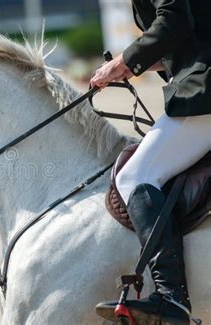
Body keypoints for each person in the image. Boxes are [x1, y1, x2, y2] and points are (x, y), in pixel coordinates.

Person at [90, 0, 211, 324]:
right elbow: (196, 29)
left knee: (135, 177)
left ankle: (172, 299)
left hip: (205, 91)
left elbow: (173, 20)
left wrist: (124, 60)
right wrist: (147, 62)